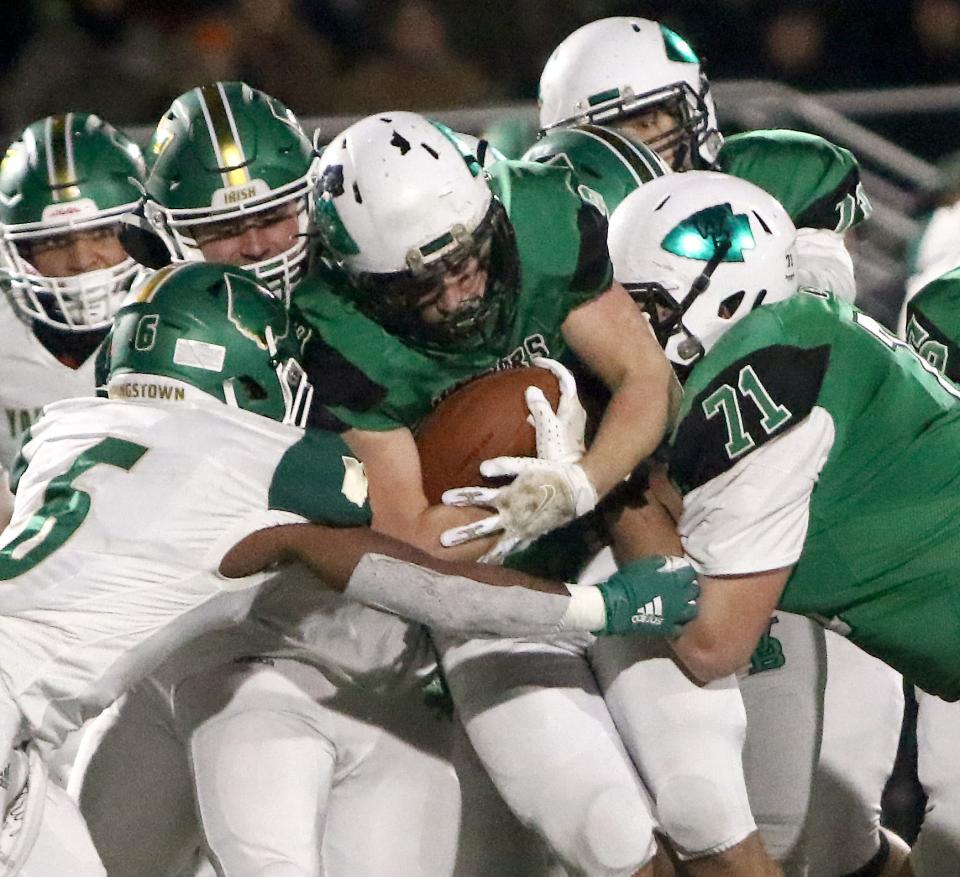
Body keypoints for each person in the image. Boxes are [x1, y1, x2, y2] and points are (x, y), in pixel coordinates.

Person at [0, 260, 698, 875]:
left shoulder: (60, 433)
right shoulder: (257, 460)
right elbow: (430, 579)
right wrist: (595, 603)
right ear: (241, 370)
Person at [299, 110, 779, 876]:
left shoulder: (544, 213)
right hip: (483, 591)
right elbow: (411, 545)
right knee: (610, 835)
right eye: (425, 281)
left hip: (610, 532)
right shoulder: (341, 336)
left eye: (468, 258)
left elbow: (644, 377)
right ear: (365, 284)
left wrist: (577, 482)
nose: (461, 291)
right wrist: (519, 506)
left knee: (705, 802)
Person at [537, 17, 905, 876]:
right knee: (690, 820)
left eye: (654, 122)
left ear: (696, 110)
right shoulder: (562, 233)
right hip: (635, 535)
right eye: (611, 135)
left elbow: (807, 324)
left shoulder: (771, 185)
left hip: (781, 528)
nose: (642, 150)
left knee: (829, 836)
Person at [609, 170, 960, 875]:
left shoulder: (772, 372)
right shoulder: (793, 336)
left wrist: (616, 486)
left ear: (719, 283)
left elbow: (712, 640)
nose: (626, 331)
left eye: (643, 305)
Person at [0, 112, 145, 498]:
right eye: (53, 241)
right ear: (19, 251)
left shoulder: (182, 314)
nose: (82, 259)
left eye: (100, 232)